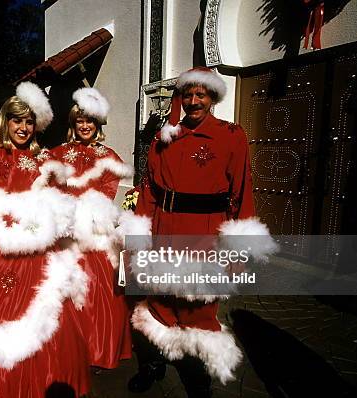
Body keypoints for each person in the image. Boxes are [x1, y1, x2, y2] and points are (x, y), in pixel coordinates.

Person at [128, 67, 275, 397]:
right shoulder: (164, 138)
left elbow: (242, 192)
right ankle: (153, 362)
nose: (194, 101)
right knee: (158, 302)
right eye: (188, 94)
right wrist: (138, 234)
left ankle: (197, 377)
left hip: (204, 234)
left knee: (197, 309)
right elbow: (149, 188)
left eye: (201, 95)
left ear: (212, 99)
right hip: (164, 229)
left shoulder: (230, 135)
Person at [0, 82, 90, 397]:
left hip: (41, 256)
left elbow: (64, 205)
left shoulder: (47, 162)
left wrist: (47, 219)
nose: (23, 127)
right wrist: (7, 221)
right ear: (5, 122)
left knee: (50, 322)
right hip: (4, 256)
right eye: (16, 120)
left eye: (28, 121)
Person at [51, 87, 134, 370]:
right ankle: (65, 349)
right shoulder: (58, 154)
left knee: (100, 288)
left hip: (96, 233)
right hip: (65, 232)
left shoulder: (108, 156)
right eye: (80, 121)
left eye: (90, 121)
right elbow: (49, 189)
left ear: (97, 124)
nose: (85, 126)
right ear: (73, 124)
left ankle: (97, 350)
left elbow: (107, 194)